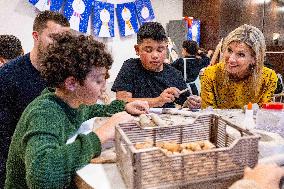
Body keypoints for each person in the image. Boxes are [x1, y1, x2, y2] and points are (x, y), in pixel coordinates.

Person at [5, 32, 149, 189]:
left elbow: (89, 110)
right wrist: (100, 135)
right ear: (72, 83)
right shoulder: (44, 113)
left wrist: (123, 106)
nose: (103, 87)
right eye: (99, 80)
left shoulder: (71, 102)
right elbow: (42, 177)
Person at [0, 10, 70, 188]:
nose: (59, 46)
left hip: (57, 159)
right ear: (36, 36)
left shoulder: (65, 75)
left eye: (64, 41)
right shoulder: (8, 76)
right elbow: (3, 138)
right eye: (53, 38)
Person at [111, 22, 191, 108]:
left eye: (160, 50)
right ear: (137, 50)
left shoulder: (174, 73)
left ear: (166, 49)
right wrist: (157, 101)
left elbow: (184, 102)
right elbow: (121, 102)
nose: (155, 56)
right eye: (148, 50)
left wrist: (190, 103)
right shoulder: (131, 67)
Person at [201, 24, 278, 109]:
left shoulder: (268, 78)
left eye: (241, 54)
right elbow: (208, 114)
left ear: (254, 59)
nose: (231, 59)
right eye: (229, 50)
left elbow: (263, 115)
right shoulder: (210, 74)